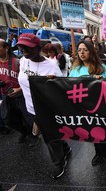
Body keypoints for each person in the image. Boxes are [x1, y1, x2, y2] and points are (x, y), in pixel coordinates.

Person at [16, 33, 72, 179]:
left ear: (38, 47)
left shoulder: (51, 66)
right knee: (52, 135)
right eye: (21, 47)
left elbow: (62, 88)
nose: (23, 50)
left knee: (49, 138)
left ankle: (59, 162)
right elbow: (25, 82)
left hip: (47, 109)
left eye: (27, 47)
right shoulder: (23, 61)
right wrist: (18, 90)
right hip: (30, 108)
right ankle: (65, 148)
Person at [69, 40, 106, 166]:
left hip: (100, 105)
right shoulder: (76, 69)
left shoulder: (101, 68)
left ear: (91, 52)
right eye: (80, 50)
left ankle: (105, 154)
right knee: (92, 131)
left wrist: (103, 80)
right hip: (83, 107)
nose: (82, 53)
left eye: (85, 50)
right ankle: (98, 154)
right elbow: (67, 84)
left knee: (102, 131)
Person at [0, 39, 38, 145]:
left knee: (28, 117)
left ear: (6, 48)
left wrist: (20, 89)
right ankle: (23, 131)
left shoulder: (17, 62)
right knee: (7, 119)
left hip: (22, 95)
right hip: (6, 95)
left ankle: (32, 135)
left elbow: (28, 79)